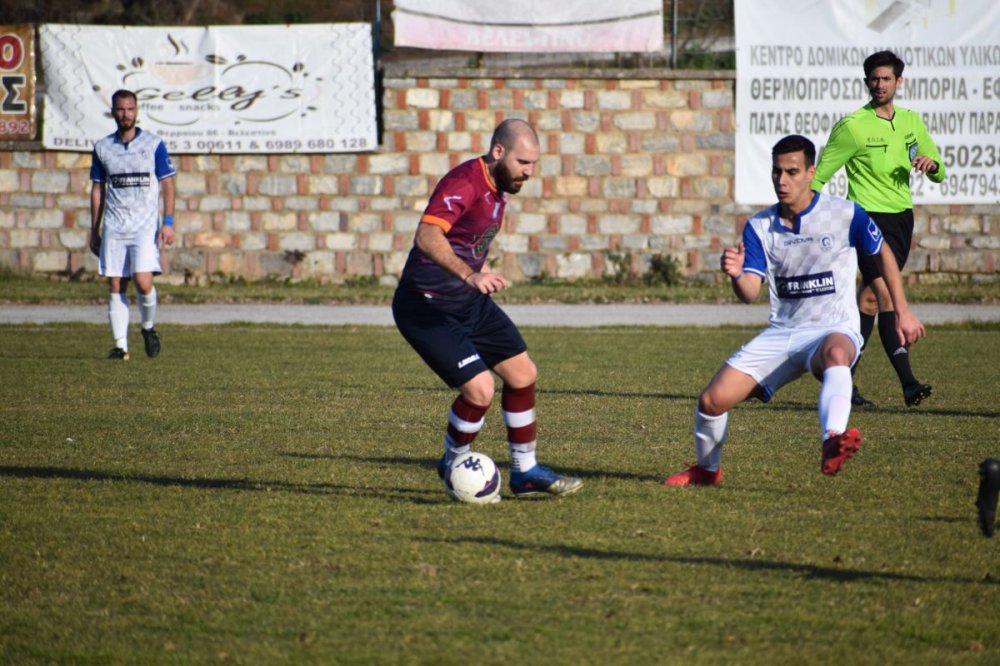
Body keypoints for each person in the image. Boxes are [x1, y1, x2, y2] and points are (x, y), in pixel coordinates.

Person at [665, 135, 925, 487]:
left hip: (833, 327)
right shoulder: (759, 226)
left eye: (792, 172)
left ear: (811, 173)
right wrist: (736, 274)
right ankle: (706, 471)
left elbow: (884, 256)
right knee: (712, 401)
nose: (782, 180)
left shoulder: (846, 213)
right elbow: (749, 293)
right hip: (783, 333)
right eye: (777, 172)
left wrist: (903, 311)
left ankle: (832, 439)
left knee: (836, 354)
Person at [392, 118, 583, 499]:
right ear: (498, 152)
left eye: (533, 164)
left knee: (522, 373)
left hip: (467, 302)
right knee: (480, 391)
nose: (529, 172)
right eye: (523, 163)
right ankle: (454, 462)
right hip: (426, 305)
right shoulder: (465, 182)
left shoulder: (499, 184)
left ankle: (525, 472)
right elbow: (427, 235)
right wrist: (469, 275)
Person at [811, 50, 944, 408]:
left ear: (899, 81)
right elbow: (819, 176)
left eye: (886, 78)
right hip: (865, 219)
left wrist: (931, 165)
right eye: (874, 78)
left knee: (868, 301)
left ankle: (842, 378)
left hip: (901, 219)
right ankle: (909, 383)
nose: (880, 84)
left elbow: (940, 169)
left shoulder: (911, 122)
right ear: (866, 81)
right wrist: (805, 216)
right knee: (880, 295)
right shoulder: (853, 126)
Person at [89, 89, 176, 361]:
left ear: (136, 111)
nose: (125, 114)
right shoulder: (103, 148)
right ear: (113, 111)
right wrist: (95, 228)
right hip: (115, 225)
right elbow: (97, 190)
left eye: (129, 109)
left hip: (144, 227)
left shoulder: (153, 144)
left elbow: (168, 185)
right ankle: (120, 347)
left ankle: (148, 327)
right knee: (116, 284)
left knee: (142, 281)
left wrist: (169, 222)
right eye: (120, 109)